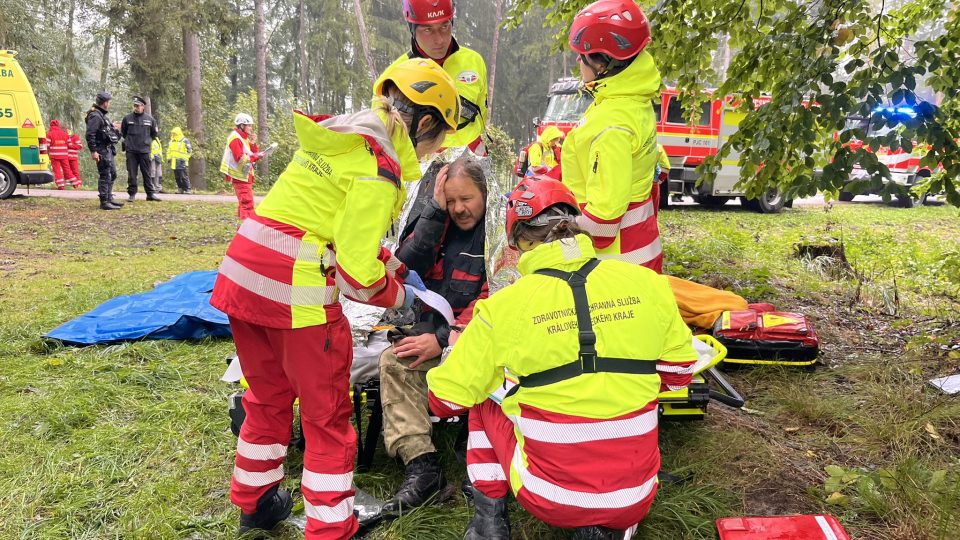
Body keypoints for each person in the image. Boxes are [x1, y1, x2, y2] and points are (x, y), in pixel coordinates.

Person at [209, 58, 460, 539]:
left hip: (243, 273)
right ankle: (330, 527)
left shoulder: (344, 137)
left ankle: (256, 503)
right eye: (439, 137)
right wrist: (402, 297)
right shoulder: (378, 168)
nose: (435, 150)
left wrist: (393, 265)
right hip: (294, 290)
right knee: (326, 416)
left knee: (267, 396)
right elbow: (355, 274)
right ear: (424, 121)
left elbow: (331, 222)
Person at [426, 175, 697, 540]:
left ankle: (488, 523)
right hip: (636, 493)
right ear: (578, 227)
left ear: (519, 241)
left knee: (482, 401)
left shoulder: (502, 308)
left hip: (550, 496)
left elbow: (444, 401)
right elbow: (679, 375)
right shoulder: (648, 284)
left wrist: (458, 357)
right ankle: (612, 525)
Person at [379, 156, 489, 514]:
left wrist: (444, 339)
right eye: (451, 200)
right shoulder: (437, 223)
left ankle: (485, 459)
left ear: (486, 194)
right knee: (393, 362)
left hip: (482, 343)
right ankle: (422, 468)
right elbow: (405, 266)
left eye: (467, 199)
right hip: (439, 333)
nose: (459, 208)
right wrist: (434, 212)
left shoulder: (499, 235)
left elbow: (497, 300)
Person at [561, 0, 664, 272]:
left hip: (615, 266)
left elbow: (602, 227)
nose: (577, 60)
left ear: (604, 64)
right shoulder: (629, 100)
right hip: (637, 253)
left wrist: (554, 229)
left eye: (582, 55)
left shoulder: (612, 126)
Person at [376, 0, 488, 155]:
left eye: (444, 26)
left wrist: (475, 140)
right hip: (422, 157)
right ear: (412, 29)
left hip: (470, 151)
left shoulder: (474, 61)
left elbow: (482, 107)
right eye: (428, 29)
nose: (439, 39)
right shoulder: (394, 76)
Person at [85, 91, 124, 210]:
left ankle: (109, 197)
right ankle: (104, 201)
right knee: (105, 174)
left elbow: (105, 131)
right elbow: (90, 134)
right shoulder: (95, 116)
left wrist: (116, 128)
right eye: (109, 102)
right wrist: (93, 151)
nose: (109, 104)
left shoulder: (101, 115)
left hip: (107, 149)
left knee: (112, 174)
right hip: (101, 150)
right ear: (105, 103)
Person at [121, 95, 161, 202]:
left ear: (143, 106)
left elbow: (154, 134)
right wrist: (130, 143)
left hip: (144, 151)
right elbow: (123, 133)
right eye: (134, 106)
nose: (136, 108)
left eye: (138, 106)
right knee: (132, 174)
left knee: (147, 173)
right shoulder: (127, 119)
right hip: (131, 151)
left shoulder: (150, 119)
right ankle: (132, 194)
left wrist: (146, 142)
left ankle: (150, 194)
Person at [221, 113, 261, 220]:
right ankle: (247, 229)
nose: (251, 128)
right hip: (240, 177)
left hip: (245, 175)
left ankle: (243, 227)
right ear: (242, 126)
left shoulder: (243, 138)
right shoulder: (235, 138)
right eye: (249, 125)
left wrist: (253, 144)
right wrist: (256, 156)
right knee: (247, 204)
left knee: (244, 203)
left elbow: (250, 153)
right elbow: (241, 159)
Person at [45, 120, 78, 190]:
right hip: (64, 155)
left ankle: (60, 185)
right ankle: (76, 183)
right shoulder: (65, 134)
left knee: (57, 171)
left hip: (54, 156)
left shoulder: (49, 134)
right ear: (58, 126)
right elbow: (69, 145)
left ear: (51, 126)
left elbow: (47, 145)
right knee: (67, 170)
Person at [167, 127, 193, 194]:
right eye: (173, 133)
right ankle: (180, 189)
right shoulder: (171, 141)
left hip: (182, 161)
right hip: (174, 161)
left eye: (174, 133)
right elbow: (169, 151)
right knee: (177, 177)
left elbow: (189, 151)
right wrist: (168, 158)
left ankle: (188, 189)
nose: (173, 135)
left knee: (184, 175)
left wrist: (185, 158)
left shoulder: (185, 140)